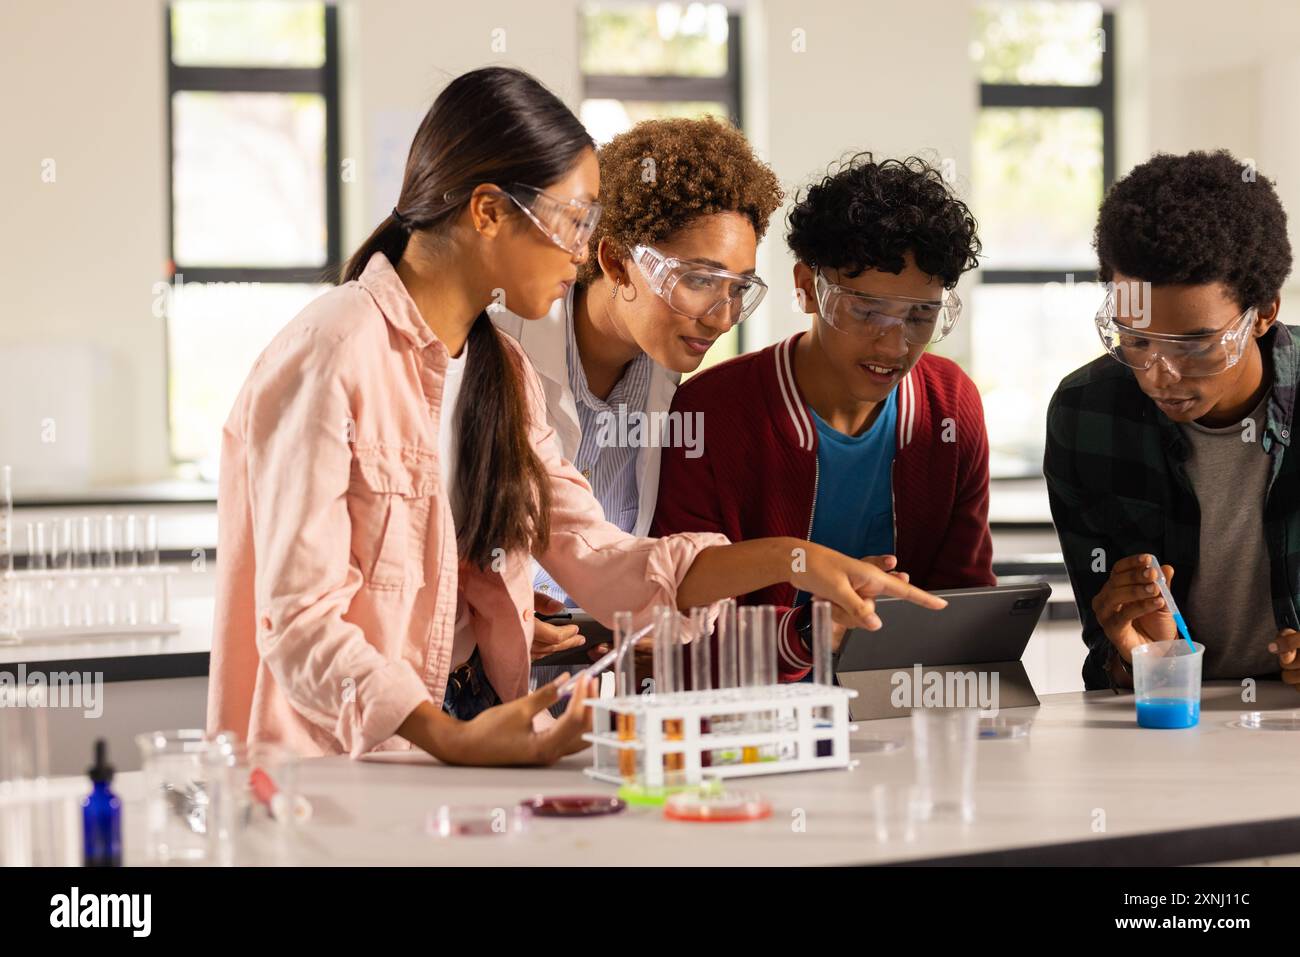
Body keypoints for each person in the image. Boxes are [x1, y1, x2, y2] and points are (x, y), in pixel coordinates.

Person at [207, 68, 948, 766]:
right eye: (572, 219)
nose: (582, 251)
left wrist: (795, 557)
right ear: (488, 211)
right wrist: (449, 739)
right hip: (329, 766)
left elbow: (598, 556)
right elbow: (299, 622)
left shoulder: (499, 371)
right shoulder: (332, 349)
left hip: (452, 734)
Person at [653, 153, 993, 679]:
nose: (894, 343)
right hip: (746, 732)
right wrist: (809, 633)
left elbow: (964, 604)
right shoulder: (709, 412)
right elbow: (676, 617)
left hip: (900, 719)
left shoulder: (951, 405)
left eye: (921, 316)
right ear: (807, 287)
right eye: (864, 311)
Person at [492, 116, 784, 678]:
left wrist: (656, 624)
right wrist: (488, 617)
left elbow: (629, 554)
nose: (722, 317)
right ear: (617, 261)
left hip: (591, 681)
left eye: (738, 288)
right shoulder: (500, 350)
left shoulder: (664, 369)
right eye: (698, 280)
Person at [1044, 149, 1298, 691]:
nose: (1160, 375)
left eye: (1195, 346)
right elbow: (1111, 658)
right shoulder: (1086, 415)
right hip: (1173, 729)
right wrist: (1136, 655)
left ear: (1264, 312)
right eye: (1135, 341)